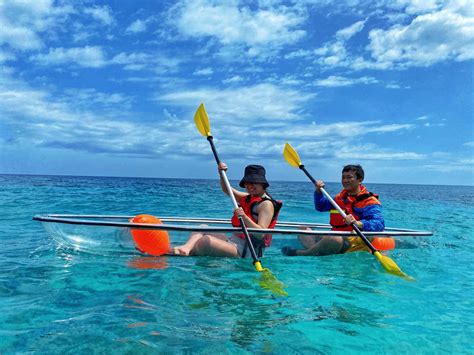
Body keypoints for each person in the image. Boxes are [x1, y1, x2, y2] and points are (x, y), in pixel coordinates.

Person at [172, 163, 282, 257]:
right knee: (202, 227)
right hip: (234, 241)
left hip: (248, 250)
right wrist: (221, 174)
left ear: (263, 184)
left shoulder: (266, 204)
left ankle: (183, 253)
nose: (249, 186)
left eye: (254, 182)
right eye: (247, 183)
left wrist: (244, 217)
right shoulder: (249, 197)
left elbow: (260, 234)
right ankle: (186, 248)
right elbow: (227, 190)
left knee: (206, 241)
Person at [282, 164, 384, 256]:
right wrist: (318, 192)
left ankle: (302, 253)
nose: (345, 180)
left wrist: (358, 223)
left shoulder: (370, 201)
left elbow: (379, 224)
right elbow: (320, 207)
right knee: (303, 230)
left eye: (349, 177)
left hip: (354, 241)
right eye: (343, 177)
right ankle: (318, 250)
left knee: (333, 238)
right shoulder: (339, 198)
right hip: (335, 237)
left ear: (360, 179)